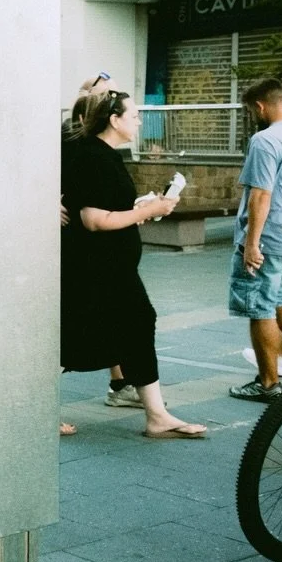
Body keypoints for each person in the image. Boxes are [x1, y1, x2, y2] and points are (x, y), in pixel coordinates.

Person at [60, 83, 206, 439]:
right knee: (76, 333)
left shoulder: (105, 154)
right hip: (97, 268)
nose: (139, 122)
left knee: (131, 325)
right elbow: (94, 219)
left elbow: (107, 207)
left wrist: (141, 208)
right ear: (114, 120)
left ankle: (156, 414)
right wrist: (151, 209)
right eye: (135, 116)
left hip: (111, 267)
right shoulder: (93, 156)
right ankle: (154, 414)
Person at [228, 78, 282, 402]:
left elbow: (260, 195)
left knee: (260, 309)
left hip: (268, 240)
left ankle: (268, 383)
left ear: (259, 106)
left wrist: (252, 244)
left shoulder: (265, 140)